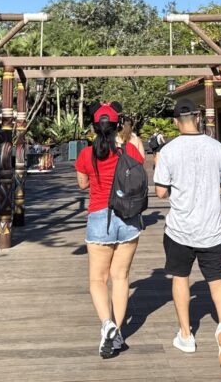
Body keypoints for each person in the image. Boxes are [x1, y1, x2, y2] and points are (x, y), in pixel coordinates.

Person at [153, 99, 221, 369]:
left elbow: (160, 192)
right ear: (198, 119)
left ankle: (186, 335)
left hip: (180, 229)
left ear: (176, 122)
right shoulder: (216, 147)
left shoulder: (169, 150)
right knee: (218, 278)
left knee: (181, 277)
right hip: (211, 228)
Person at [75, 102, 145, 358]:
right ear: (117, 126)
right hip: (128, 217)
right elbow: (140, 166)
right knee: (120, 277)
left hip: (99, 217)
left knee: (97, 279)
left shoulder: (86, 154)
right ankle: (118, 333)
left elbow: (82, 184)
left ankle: (107, 324)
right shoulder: (129, 150)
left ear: (94, 127)